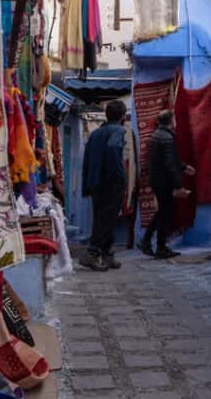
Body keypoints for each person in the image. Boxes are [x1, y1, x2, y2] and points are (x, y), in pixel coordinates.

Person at [139, 109, 194, 259]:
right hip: (164, 182)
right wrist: (178, 185)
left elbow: (170, 160)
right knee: (165, 213)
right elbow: (169, 164)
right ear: (171, 121)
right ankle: (157, 245)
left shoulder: (157, 136)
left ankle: (150, 243)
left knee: (163, 212)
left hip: (157, 180)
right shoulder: (167, 138)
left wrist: (184, 167)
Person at [81, 99, 128, 271]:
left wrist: (86, 185)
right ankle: (91, 253)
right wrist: (120, 177)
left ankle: (107, 254)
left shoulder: (95, 134)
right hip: (110, 183)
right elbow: (113, 149)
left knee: (103, 218)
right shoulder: (118, 130)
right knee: (107, 219)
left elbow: (86, 159)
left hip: (95, 183)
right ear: (123, 116)